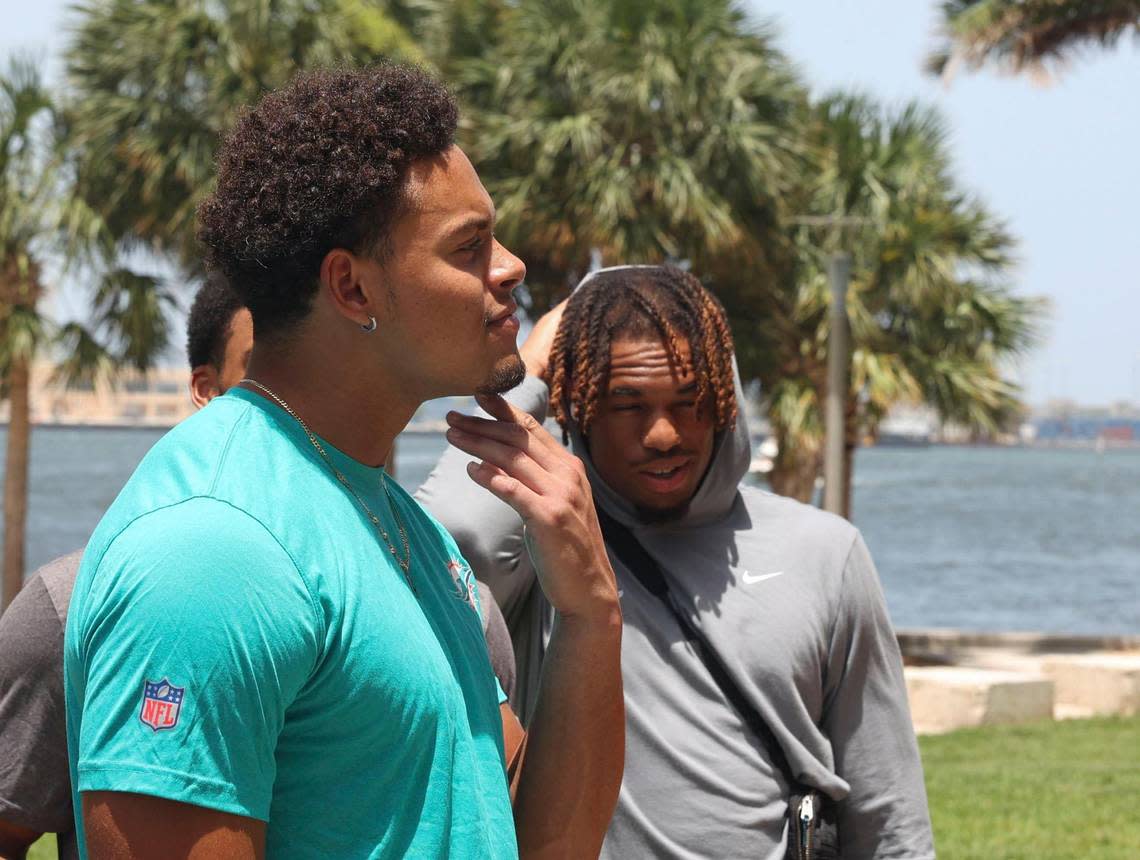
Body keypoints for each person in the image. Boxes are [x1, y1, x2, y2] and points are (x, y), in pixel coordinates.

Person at [64, 65, 622, 860]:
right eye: (468, 247)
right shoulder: (214, 549)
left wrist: (592, 615)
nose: (510, 266)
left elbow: (538, 846)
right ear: (353, 289)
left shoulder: (396, 523)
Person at [418, 264, 935, 859]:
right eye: (627, 404)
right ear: (576, 406)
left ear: (725, 400)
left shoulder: (824, 551)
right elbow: (453, 537)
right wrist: (530, 366)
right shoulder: (550, 548)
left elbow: (888, 814)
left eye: (690, 402)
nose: (664, 434)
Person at [0, 277, 252, 860]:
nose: (303, 399)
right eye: (268, 371)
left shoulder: (449, 599)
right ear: (207, 390)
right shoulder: (68, 611)